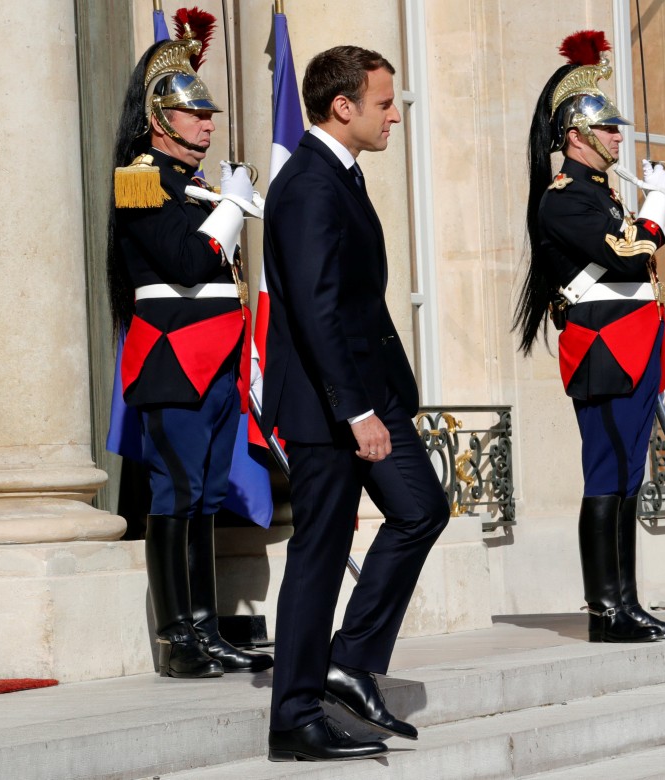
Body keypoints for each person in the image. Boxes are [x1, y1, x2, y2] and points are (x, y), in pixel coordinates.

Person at [260, 45, 449, 762]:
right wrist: (355, 410)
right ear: (344, 106)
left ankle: (350, 658)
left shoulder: (342, 174)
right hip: (328, 403)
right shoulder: (309, 182)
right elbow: (316, 308)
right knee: (320, 551)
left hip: (366, 392)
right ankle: (294, 716)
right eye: (383, 102)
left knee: (421, 508)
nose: (394, 113)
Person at [107, 18, 272, 680]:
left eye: (207, 113)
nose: (206, 124)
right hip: (173, 361)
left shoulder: (191, 183)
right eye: (191, 112)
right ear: (157, 118)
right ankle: (177, 640)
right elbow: (188, 258)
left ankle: (206, 628)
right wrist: (229, 209)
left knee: (204, 498)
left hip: (214, 360)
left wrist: (221, 199)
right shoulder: (140, 179)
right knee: (175, 495)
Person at [514, 31, 665, 644]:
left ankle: (629, 602)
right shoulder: (562, 202)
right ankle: (606, 611)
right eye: (607, 129)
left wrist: (648, 205)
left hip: (633, 347)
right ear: (574, 137)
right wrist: (659, 207)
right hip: (604, 351)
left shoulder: (604, 197)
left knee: (627, 477)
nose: (618, 136)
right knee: (607, 475)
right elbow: (625, 255)